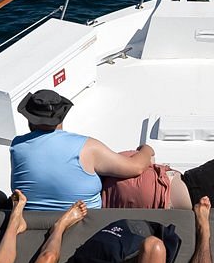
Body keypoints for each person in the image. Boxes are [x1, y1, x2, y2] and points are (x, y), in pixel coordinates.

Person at [8, 88, 154, 211]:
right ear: (61, 116)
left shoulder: (17, 146)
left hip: (33, 222)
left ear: (29, 119)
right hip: (84, 221)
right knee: (129, 160)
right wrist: (146, 149)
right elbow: (136, 168)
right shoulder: (88, 147)